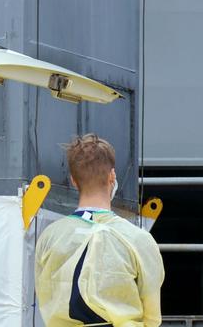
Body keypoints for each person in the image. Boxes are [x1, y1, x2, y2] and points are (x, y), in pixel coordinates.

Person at [35, 134, 164, 326]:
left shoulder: (49, 238)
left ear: (73, 181)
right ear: (112, 176)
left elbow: (44, 296)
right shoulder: (139, 240)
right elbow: (152, 317)